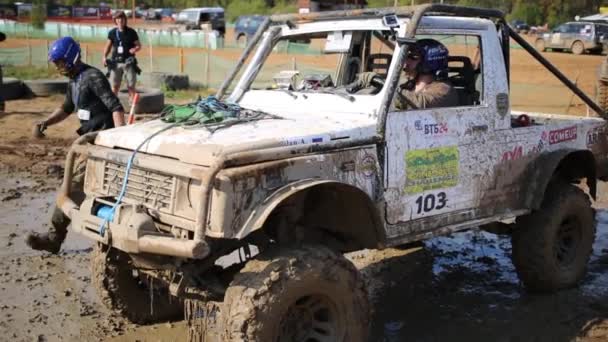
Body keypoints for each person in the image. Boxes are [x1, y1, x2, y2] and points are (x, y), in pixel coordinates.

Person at [26, 36, 126, 254]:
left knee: (70, 190)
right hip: (87, 143)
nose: (57, 66)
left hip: (100, 144)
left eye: (60, 61)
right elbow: (66, 107)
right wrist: (46, 123)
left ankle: (55, 239)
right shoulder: (74, 80)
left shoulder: (93, 77)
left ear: (71, 57)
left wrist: (120, 142)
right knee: (93, 190)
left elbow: (116, 107)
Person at [348, 39, 459, 110]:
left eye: (413, 57)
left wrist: (385, 87)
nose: (406, 61)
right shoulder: (408, 81)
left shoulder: (444, 90)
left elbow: (419, 104)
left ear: (429, 62)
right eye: (406, 56)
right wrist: (370, 82)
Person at [103, 10, 141, 99]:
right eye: (118, 19)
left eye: (122, 18)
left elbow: (139, 45)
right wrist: (104, 56)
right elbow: (107, 47)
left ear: (125, 19)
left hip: (129, 62)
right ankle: (114, 108)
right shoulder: (112, 33)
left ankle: (132, 109)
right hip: (115, 63)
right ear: (115, 20)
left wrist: (135, 49)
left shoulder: (131, 32)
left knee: (131, 86)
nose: (120, 20)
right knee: (114, 86)